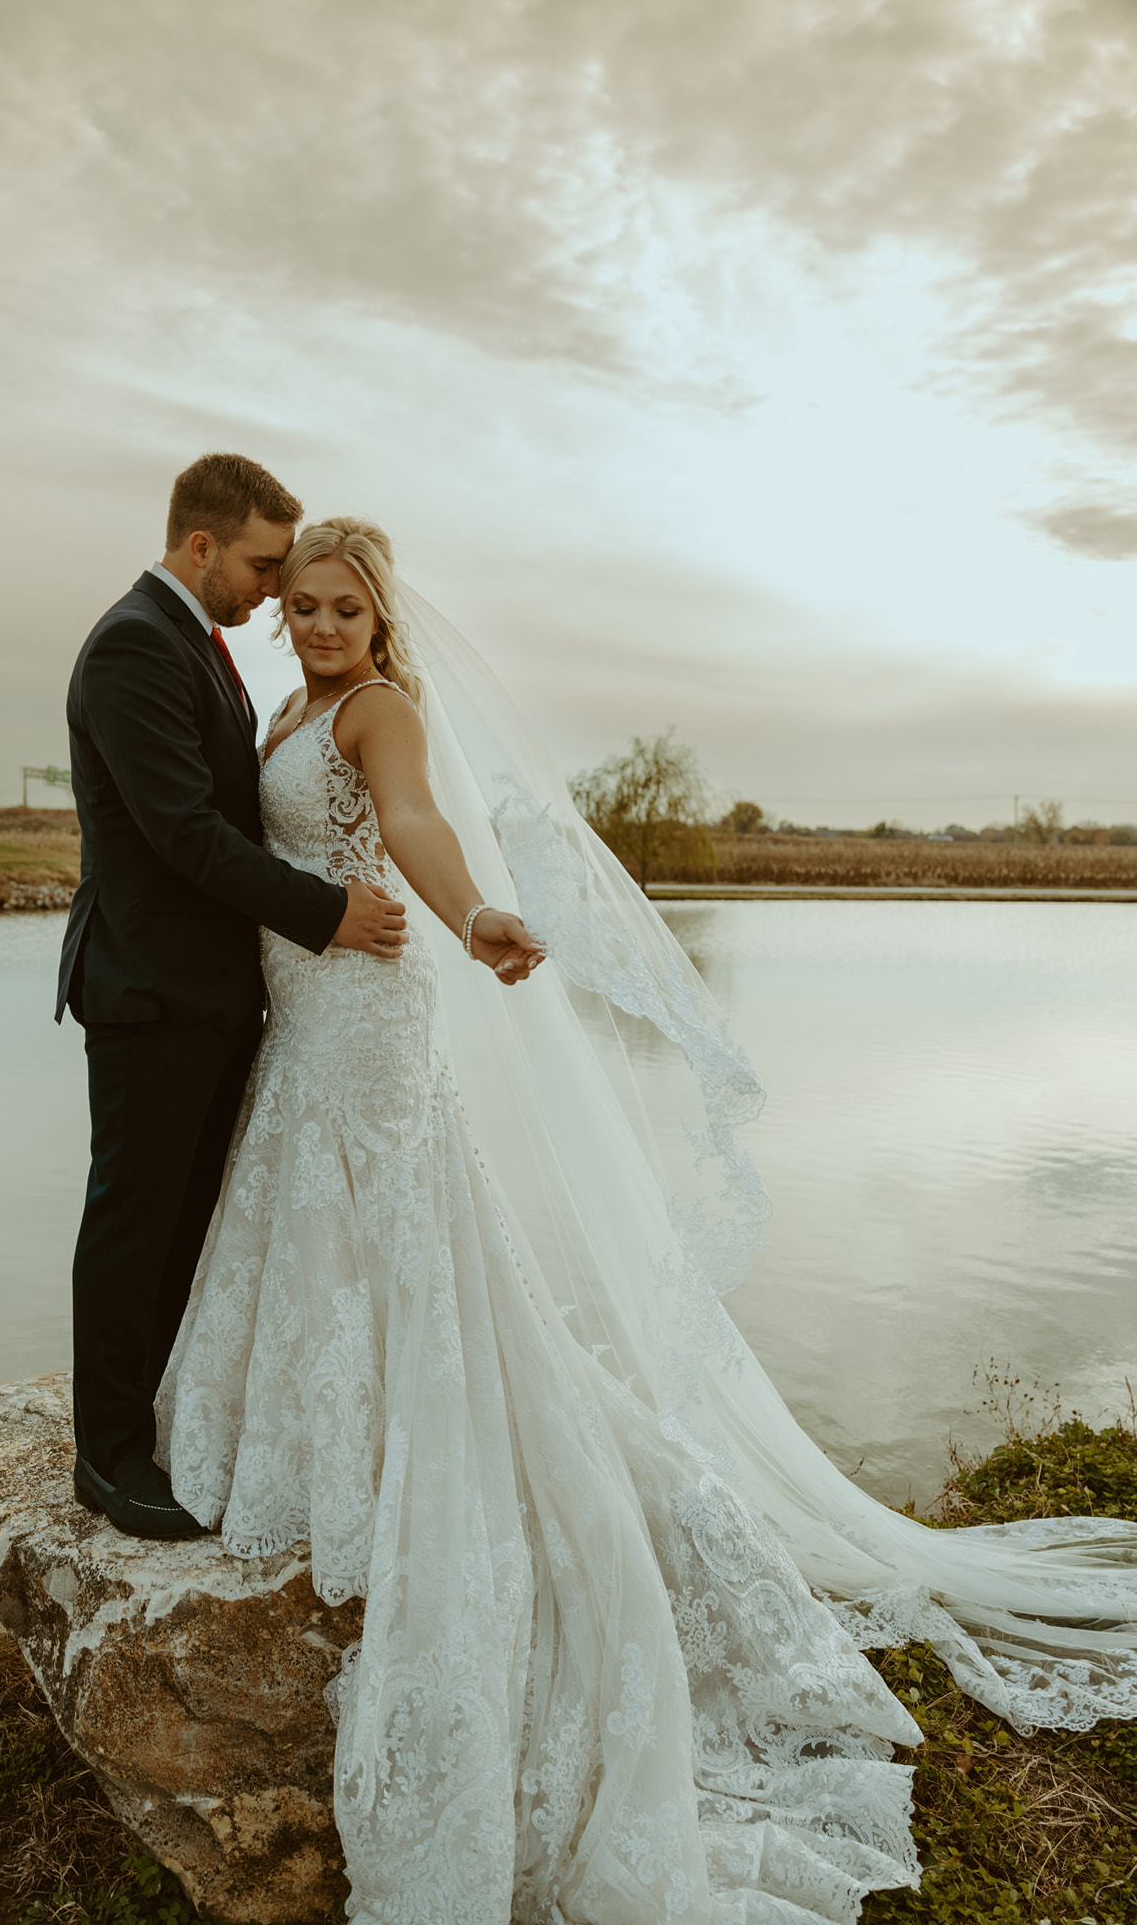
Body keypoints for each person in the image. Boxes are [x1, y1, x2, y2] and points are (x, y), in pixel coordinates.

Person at [155, 514, 1137, 1923]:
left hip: (370, 1010)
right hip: (308, 1009)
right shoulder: (294, 704)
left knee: (403, 1235)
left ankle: (416, 1444)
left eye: (340, 612)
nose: (316, 628)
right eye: (300, 607)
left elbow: (416, 822)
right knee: (318, 1225)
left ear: (381, 623)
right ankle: (318, 1428)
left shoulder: (379, 709)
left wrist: (475, 912)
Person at [58, 457, 462, 1539]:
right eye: (267, 568)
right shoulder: (138, 644)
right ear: (202, 546)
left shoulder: (214, 651)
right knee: (136, 1218)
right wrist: (326, 910)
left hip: (238, 997)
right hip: (153, 989)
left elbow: (383, 814)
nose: (278, 594)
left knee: (192, 1216)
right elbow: (185, 832)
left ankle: (162, 1419)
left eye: (324, 593)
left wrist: (456, 915)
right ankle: (107, 1456)